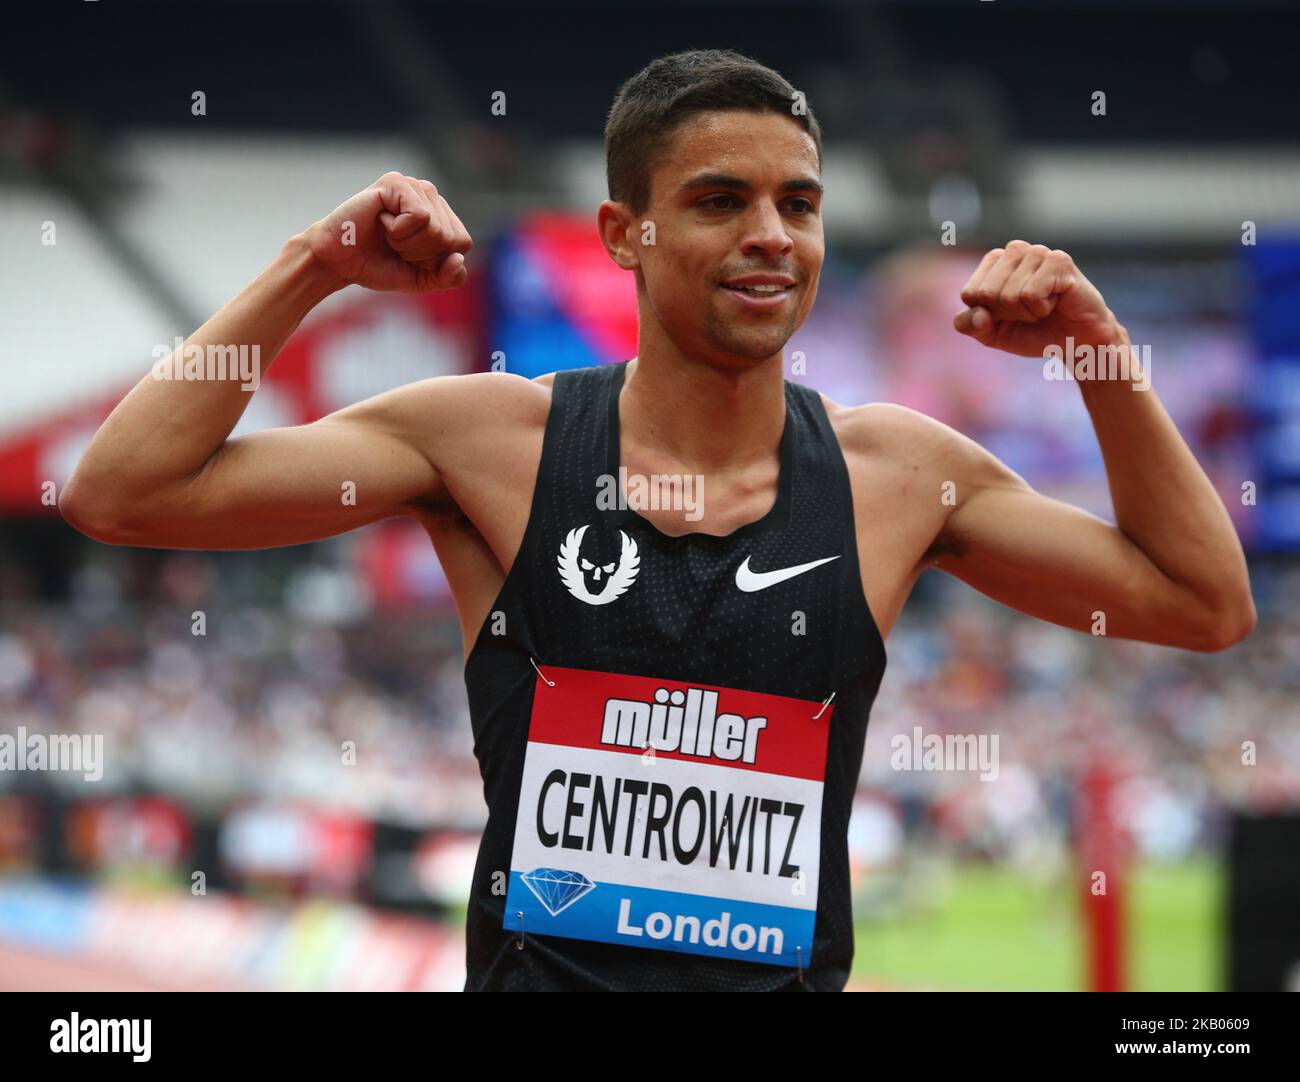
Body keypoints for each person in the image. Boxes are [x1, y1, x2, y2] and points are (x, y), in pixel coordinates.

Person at [59, 49, 1255, 991]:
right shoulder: (492, 443)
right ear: (623, 233)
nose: (770, 236)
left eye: (799, 202)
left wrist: (1102, 354)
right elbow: (125, 491)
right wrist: (311, 265)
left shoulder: (897, 473)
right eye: (720, 200)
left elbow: (1204, 604)